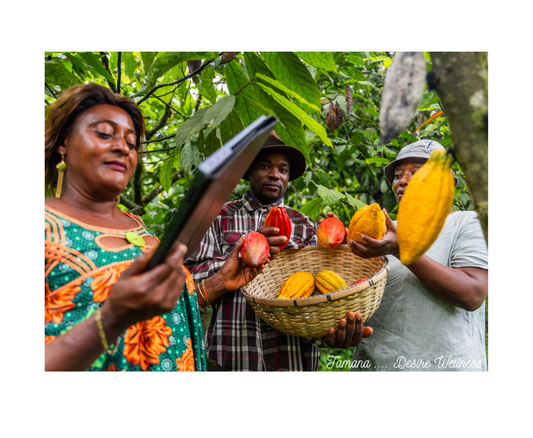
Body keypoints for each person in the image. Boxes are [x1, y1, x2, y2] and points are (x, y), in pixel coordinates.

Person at [45, 83, 206, 371]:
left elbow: (166, 317)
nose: (122, 147)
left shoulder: (139, 228)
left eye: (132, 144)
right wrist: (112, 318)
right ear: (63, 143)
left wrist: (218, 286)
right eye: (104, 134)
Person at [185, 131, 371, 371]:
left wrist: (328, 333)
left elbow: (320, 288)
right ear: (249, 170)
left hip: (292, 357)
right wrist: (242, 256)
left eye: (282, 169)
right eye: (264, 166)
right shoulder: (218, 217)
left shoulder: (304, 225)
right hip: (232, 354)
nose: (275, 174)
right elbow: (188, 280)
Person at [348, 139, 488, 371]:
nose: (402, 180)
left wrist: (401, 250)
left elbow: (473, 293)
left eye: (416, 173)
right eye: (398, 175)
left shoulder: (467, 223)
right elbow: (354, 295)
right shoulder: (381, 230)